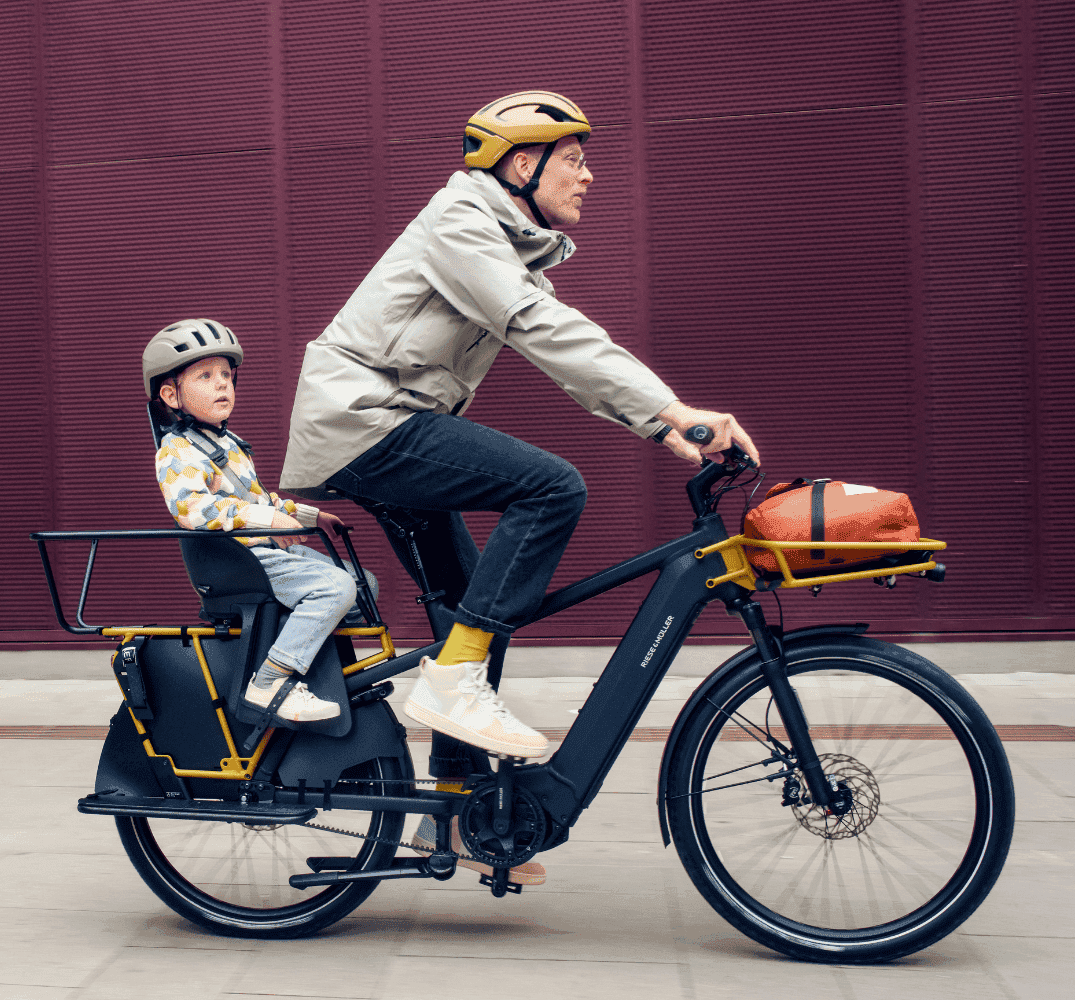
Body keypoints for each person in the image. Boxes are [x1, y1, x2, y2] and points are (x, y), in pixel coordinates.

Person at [279, 91, 760, 882]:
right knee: (550, 488)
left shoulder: (499, 238)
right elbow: (543, 331)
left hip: (385, 422)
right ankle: (454, 680)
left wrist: (660, 426)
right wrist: (673, 408)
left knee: (473, 608)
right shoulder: (460, 221)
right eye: (574, 159)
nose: (590, 175)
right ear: (521, 162)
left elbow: (568, 347)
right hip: (364, 421)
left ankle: (466, 808)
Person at [145, 319, 377, 724]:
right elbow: (191, 510)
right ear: (171, 395)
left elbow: (259, 498)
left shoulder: (230, 445)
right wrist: (265, 518)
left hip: (261, 555)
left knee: (362, 585)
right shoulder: (176, 451)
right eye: (204, 376)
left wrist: (309, 516)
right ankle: (271, 681)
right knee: (335, 587)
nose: (222, 384)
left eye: (225, 375)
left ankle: (322, 671)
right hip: (234, 565)